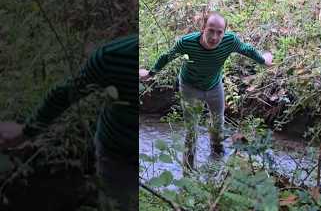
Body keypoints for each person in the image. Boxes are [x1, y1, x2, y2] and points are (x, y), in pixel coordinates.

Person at [0, 34, 139, 211]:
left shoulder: (112, 55)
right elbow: (66, 93)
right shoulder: (112, 56)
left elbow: (67, 92)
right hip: (117, 155)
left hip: (116, 152)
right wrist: (27, 131)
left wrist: (26, 132)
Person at [139, 11, 273, 171]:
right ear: (203, 28)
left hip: (214, 86)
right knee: (192, 130)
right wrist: (150, 73)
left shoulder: (230, 41)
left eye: (219, 32)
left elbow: (247, 49)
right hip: (189, 87)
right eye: (211, 30)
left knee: (218, 123)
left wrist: (263, 60)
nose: (214, 37)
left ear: (224, 33)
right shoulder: (187, 43)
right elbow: (167, 56)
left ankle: (216, 156)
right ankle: (188, 171)